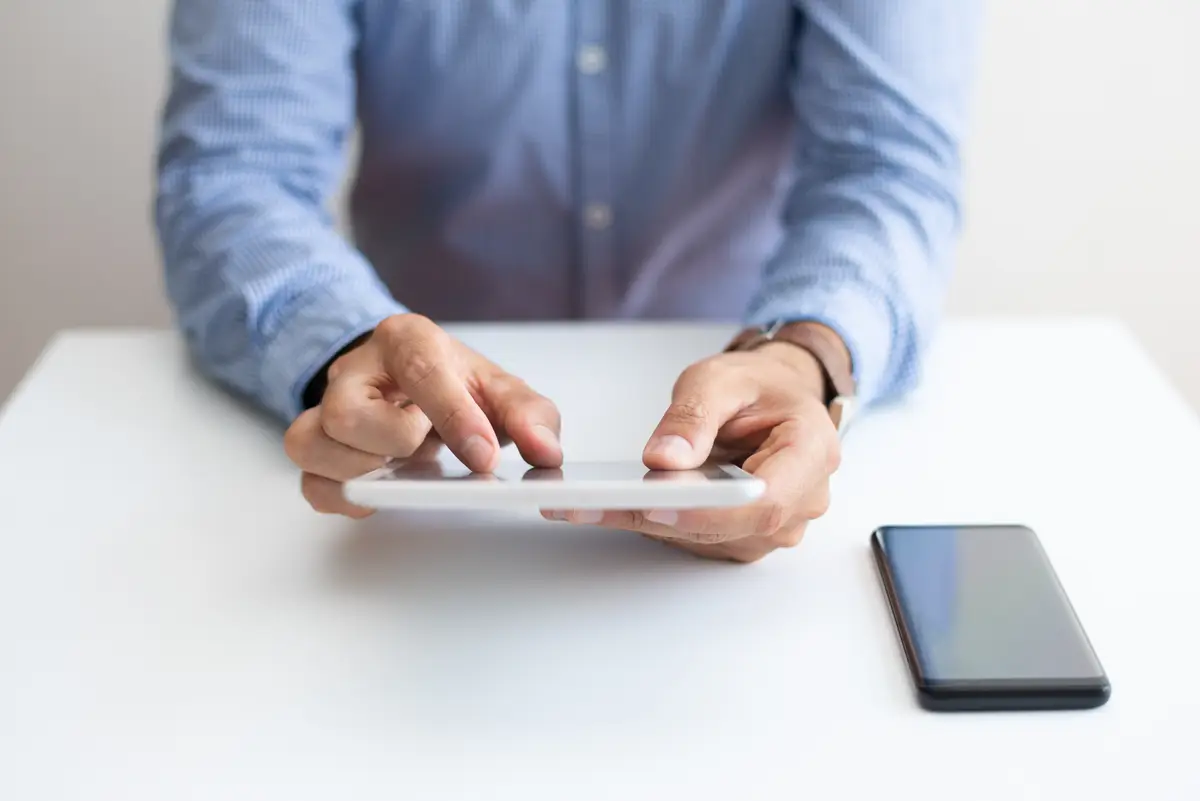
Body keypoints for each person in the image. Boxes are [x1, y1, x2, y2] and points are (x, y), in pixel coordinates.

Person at [155, 1, 980, 562]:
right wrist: (345, 340)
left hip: (750, 410)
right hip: (415, 481)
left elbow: (889, 166)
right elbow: (235, 171)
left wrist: (805, 353)